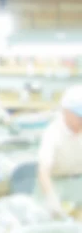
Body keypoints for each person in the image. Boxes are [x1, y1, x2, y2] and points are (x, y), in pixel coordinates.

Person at [37, 85, 82, 217]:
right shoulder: (53, 133)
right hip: (55, 186)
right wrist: (51, 198)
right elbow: (43, 172)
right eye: (79, 116)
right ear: (66, 112)